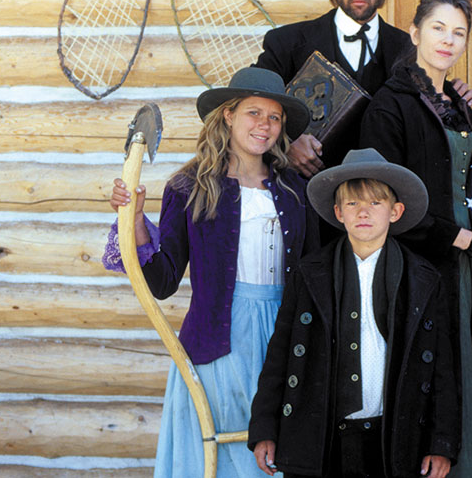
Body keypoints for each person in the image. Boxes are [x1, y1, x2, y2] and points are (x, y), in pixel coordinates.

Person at [103, 67, 318, 477]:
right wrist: (131, 220)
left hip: (285, 333)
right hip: (218, 337)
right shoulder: (189, 187)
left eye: (274, 118)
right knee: (223, 452)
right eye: (254, 113)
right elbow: (163, 281)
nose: (264, 126)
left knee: (277, 452)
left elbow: (312, 272)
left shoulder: (295, 189)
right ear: (228, 116)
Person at [249, 148, 459, 478]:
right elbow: (280, 354)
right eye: (352, 203)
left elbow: (443, 368)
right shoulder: (309, 273)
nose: (363, 212)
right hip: (323, 436)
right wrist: (265, 428)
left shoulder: (423, 279)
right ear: (338, 212)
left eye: (375, 202)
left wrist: (441, 443)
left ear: (395, 211)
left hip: (392, 437)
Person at [359, 0, 472, 478]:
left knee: (463, 380)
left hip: (465, 268)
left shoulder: (462, 106)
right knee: (422, 380)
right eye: (438, 27)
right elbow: (385, 200)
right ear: (413, 32)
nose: (447, 40)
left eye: (458, 33)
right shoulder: (390, 105)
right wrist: (457, 237)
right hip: (418, 265)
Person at [254, 0, 472, 176]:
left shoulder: (413, 48)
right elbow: (252, 103)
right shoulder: (286, 42)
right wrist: (286, 141)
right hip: (304, 198)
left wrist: (454, 98)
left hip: (383, 199)